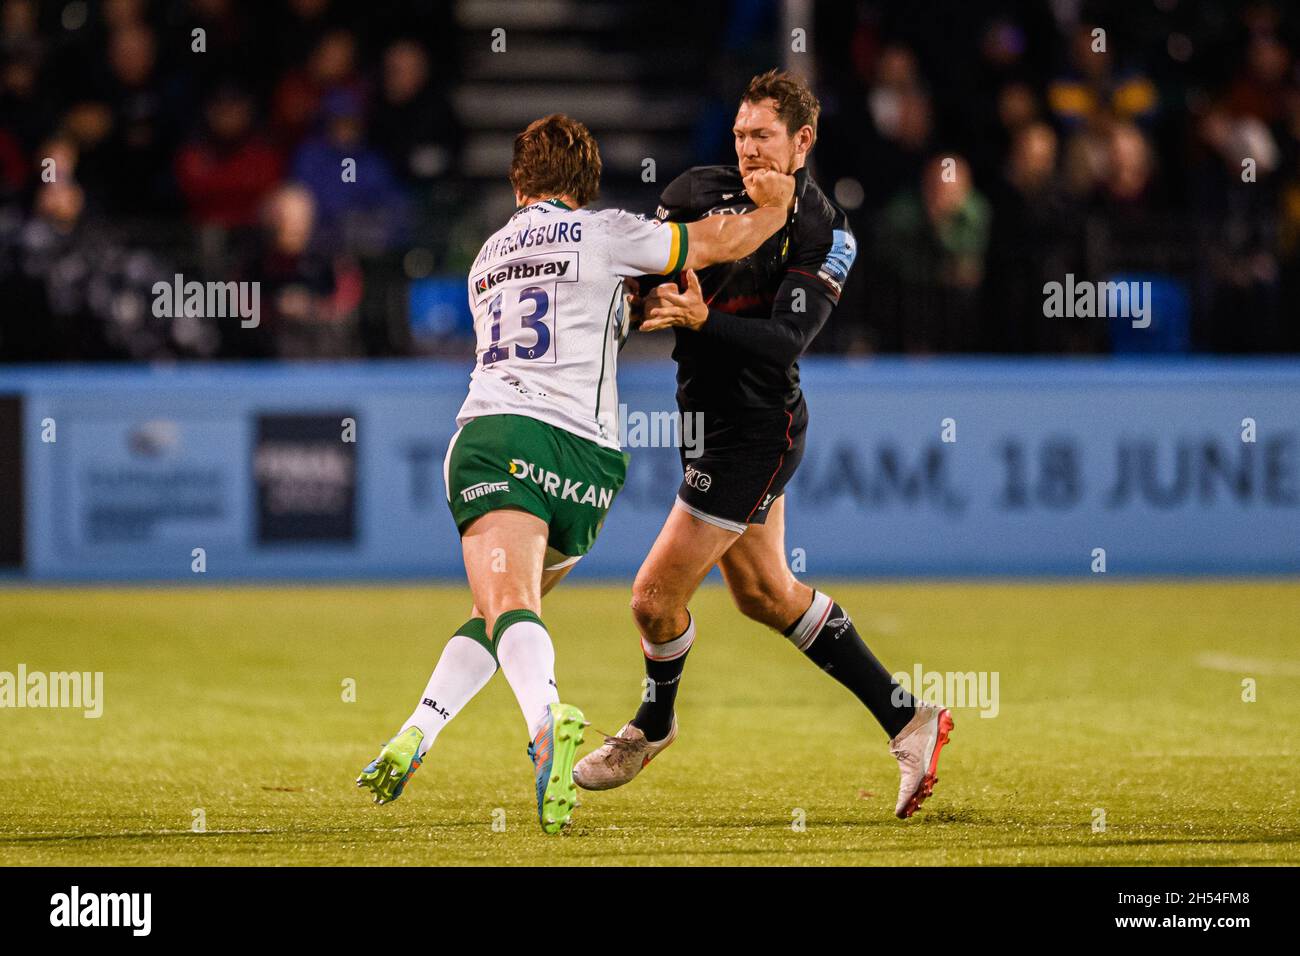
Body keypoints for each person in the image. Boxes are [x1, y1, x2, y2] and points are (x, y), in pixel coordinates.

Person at [356, 113, 796, 834]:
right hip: (589, 466)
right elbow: (713, 241)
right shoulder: (608, 233)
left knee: (507, 607)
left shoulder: (487, 257)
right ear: (586, 186)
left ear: (517, 181)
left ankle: (544, 720)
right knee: (503, 610)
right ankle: (418, 730)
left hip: (499, 438)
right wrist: (773, 210)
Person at [573, 70, 954, 820]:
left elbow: (783, 341)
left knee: (653, 598)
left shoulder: (828, 231)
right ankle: (910, 717)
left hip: (759, 430)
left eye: (764, 137)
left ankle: (652, 725)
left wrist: (699, 320)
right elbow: (647, 280)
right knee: (765, 594)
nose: (747, 151)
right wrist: (636, 297)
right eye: (742, 136)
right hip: (702, 418)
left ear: (802, 141)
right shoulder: (693, 192)